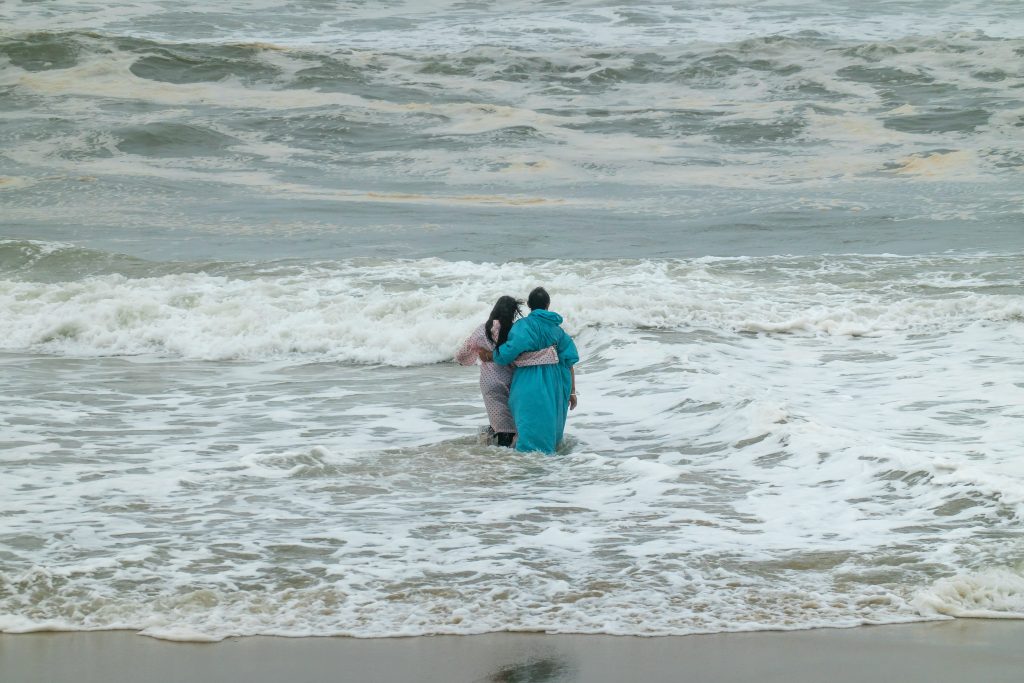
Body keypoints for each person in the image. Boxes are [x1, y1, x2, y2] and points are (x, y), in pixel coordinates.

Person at [479, 287, 579, 454]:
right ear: (548, 304)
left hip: (528, 380)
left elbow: (506, 354)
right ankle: (552, 468)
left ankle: (525, 471)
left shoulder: (522, 326)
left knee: (528, 427)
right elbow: (569, 363)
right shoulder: (558, 331)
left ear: (529, 305)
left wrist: (490, 355)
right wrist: (572, 392)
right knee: (550, 427)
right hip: (556, 383)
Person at [455, 296, 558, 447]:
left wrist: (469, 359)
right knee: (514, 422)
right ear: (513, 313)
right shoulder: (515, 331)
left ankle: (497, 453)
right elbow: (521, 353)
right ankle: (507, 455)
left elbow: (462, 354)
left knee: (501, 422)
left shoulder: (482, 329)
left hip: (489, 382)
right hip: (513, 381)